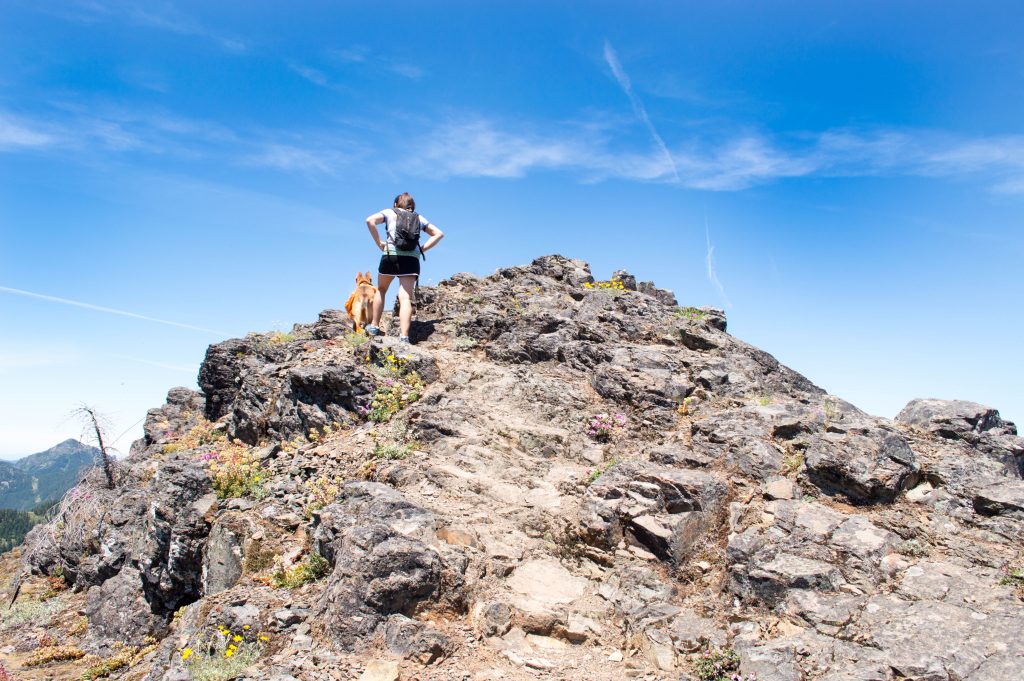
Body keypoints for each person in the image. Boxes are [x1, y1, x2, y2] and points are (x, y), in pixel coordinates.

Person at [363, 192, 444, 343]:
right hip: (411, 259)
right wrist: (421, 250)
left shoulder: (389, 212)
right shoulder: (419, 218)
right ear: (412, 205)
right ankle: (404, 337)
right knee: (405, 297)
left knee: (381, 289)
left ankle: (374, 326)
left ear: (396, 204)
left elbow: (370, 221)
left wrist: (379, 242)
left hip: (390, 255)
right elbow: (439, 234)